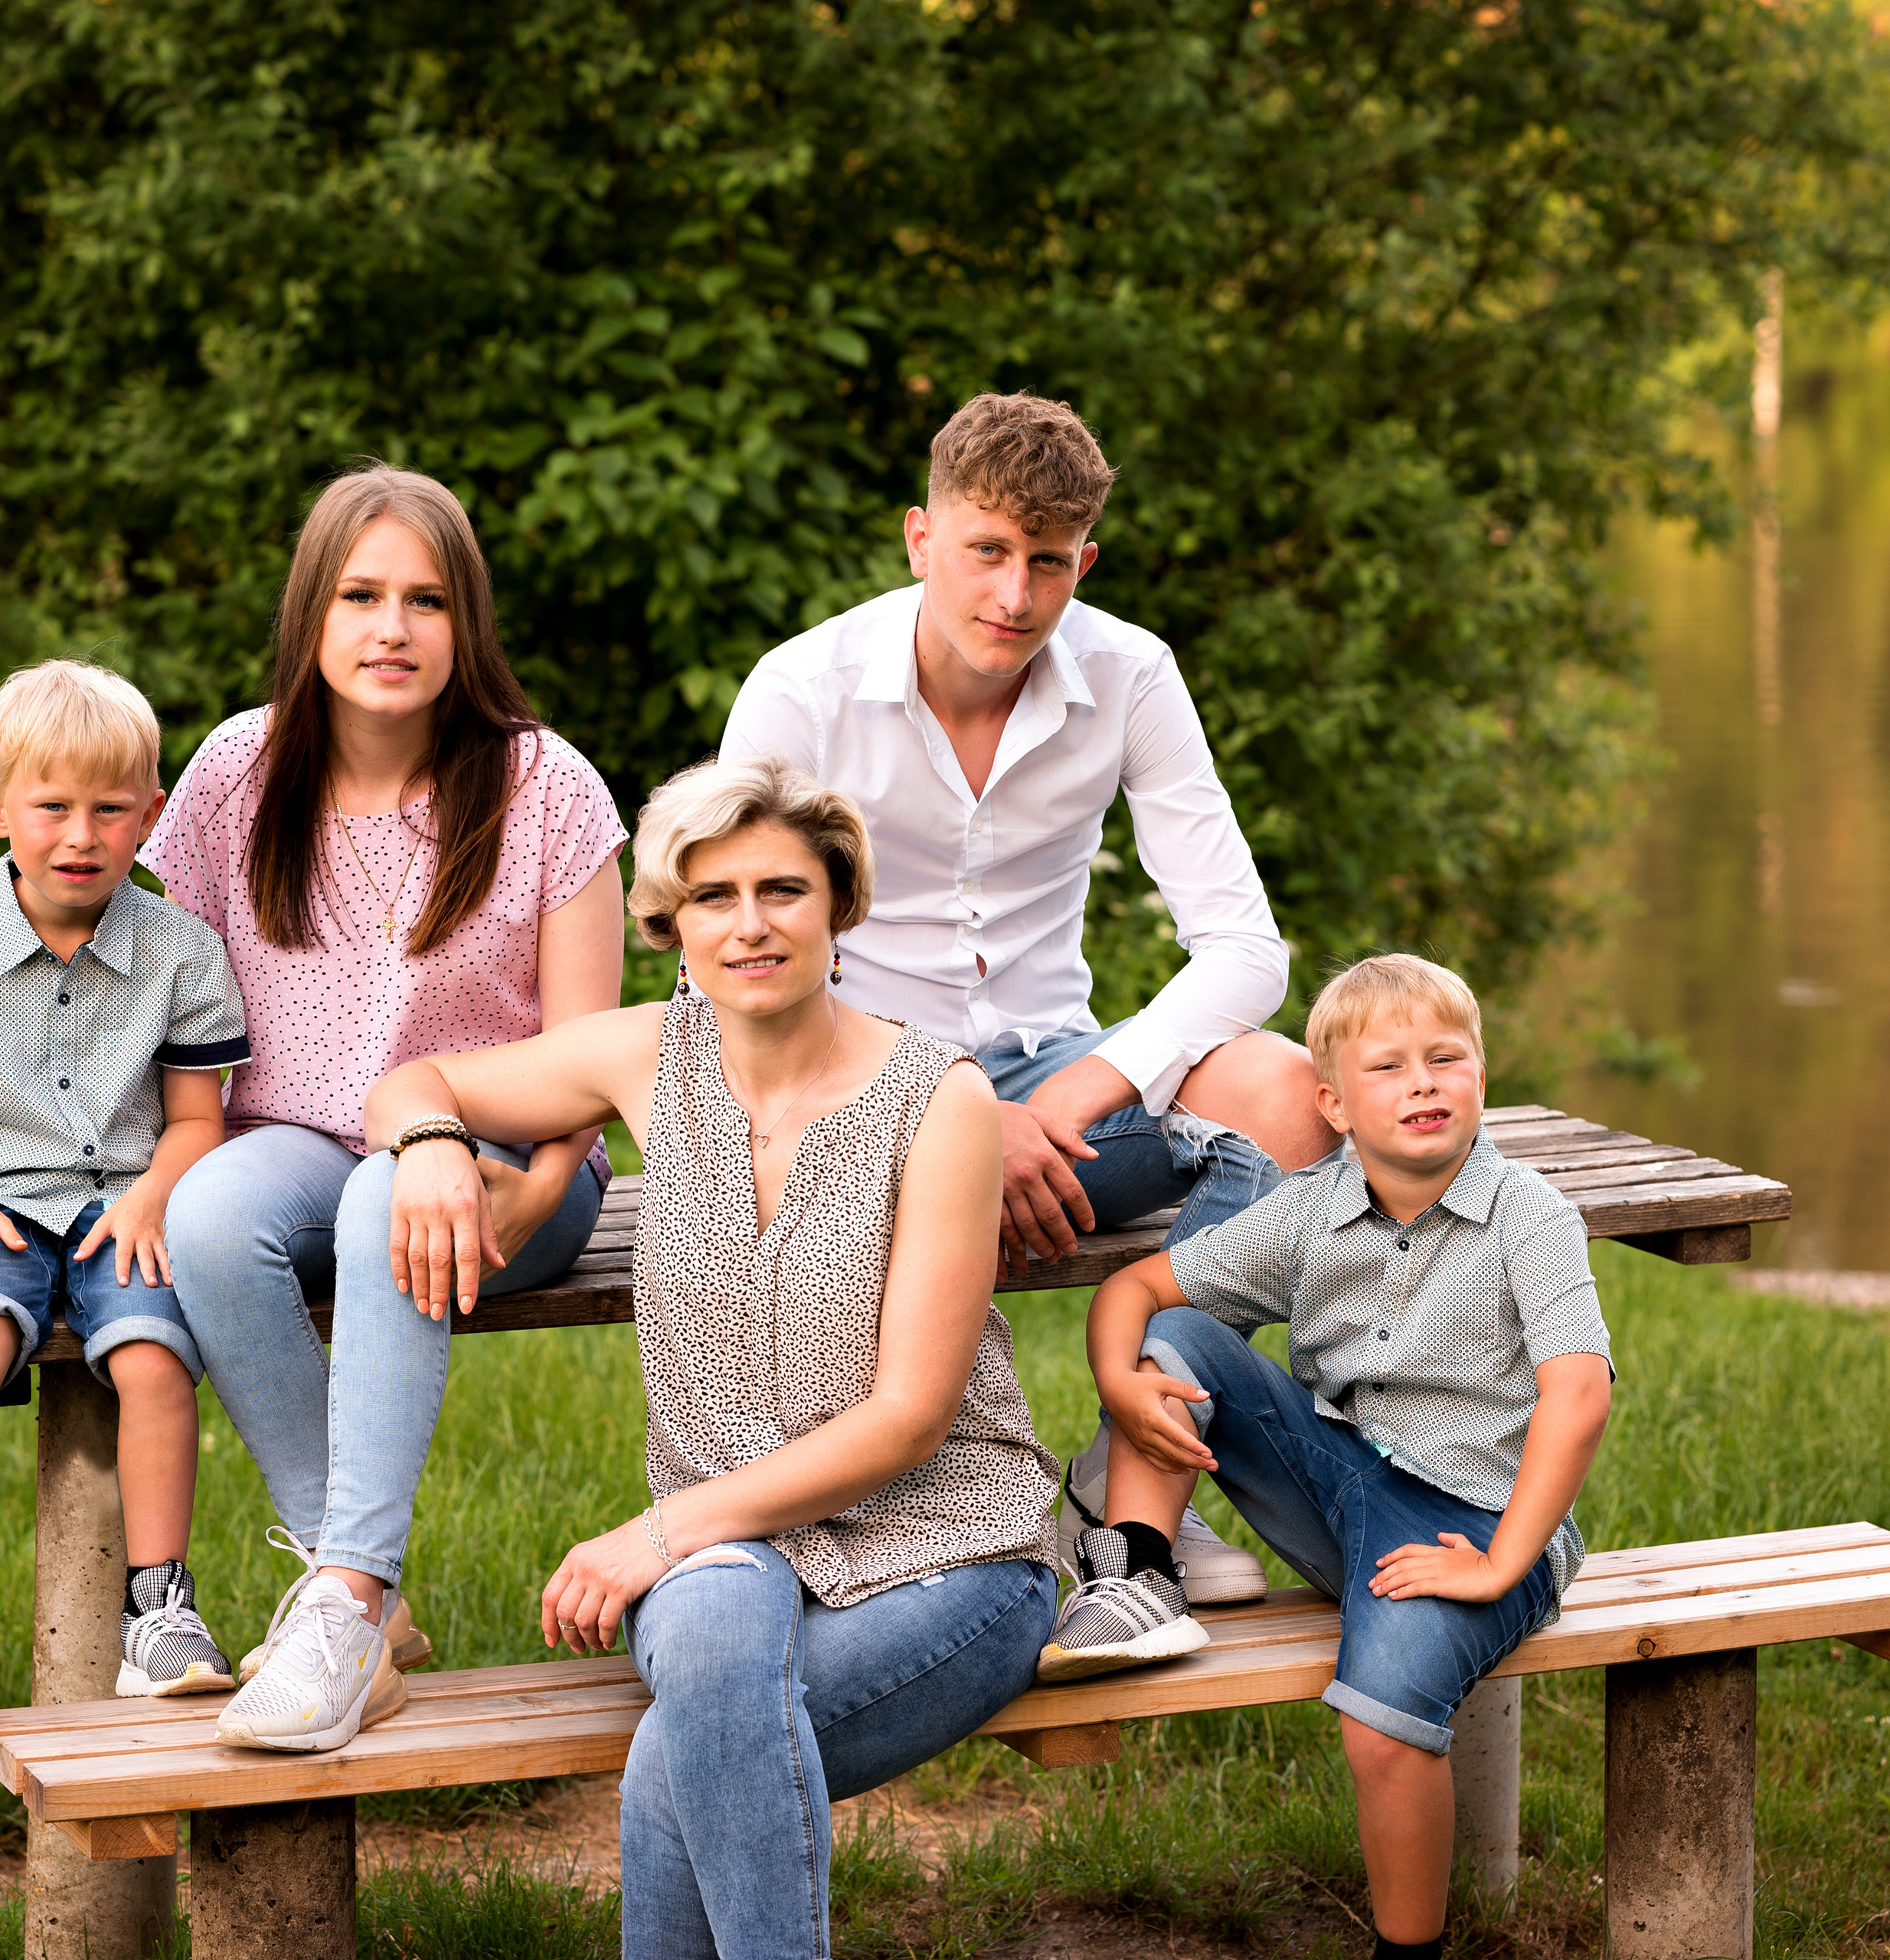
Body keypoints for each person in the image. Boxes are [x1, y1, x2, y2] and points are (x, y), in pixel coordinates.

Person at [363, 755, 1060, 1958]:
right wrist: (431, 1146)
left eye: (783, 890)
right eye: (714, 895)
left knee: (673, 1758)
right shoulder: (644, 1058)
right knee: (709, 1653)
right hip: (733, 1558)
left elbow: (906, 1418)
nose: (750, 925)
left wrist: (661, 1533)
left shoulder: (939, 1101)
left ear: (839, 906)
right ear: (667, 924)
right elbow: (411, 1083)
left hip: (950, 1552)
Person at [720, 389, 1336, 1604]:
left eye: (1046, 564)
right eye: (986, 553)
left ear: (1083, 560)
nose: (1013, 598)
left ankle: (1134, 1492)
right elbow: (734, 970)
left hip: (1059, 1090)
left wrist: (1072, 1092)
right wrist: (954, 1111)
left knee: (1281, 1090)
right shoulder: (804, 691)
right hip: (851, 1112)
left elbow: (1246, 950)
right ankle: (904, 1531)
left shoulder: (1129, 675)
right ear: (920, 538)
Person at [143, 466, 628, 1753]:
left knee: (386, 1198)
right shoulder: (236, 774)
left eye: (426, 600)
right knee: (210, 1214)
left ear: (466, 624)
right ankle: (363, 1599)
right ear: (313, 612)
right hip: (292, 1136)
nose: (392, 629)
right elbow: (149, 981)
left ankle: (343, 1600)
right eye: (360, 595)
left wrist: (540, 1172)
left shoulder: (545, 786)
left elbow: (593, 1049)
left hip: (518, 1156)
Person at [1042, 953, 1613, 1960]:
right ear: (1333, 1104)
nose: (1425, 1082)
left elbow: (1579, 1393)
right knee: (1174, 1345)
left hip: (1468, 1521)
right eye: (1388, 1067)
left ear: (1483, 1071)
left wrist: (1504, 1561)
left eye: (1447, 1057)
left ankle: (1408, 1951)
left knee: (1381, 1729)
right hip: (1335, 1482)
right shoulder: (1311, 1208)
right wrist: (1121, 1385)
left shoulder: (1531, 1214)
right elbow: (1134, 1291)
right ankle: (1137, 1566)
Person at [0, 662, 250, 1714]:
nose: (81, 835)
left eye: (111, 810)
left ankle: (159, 1609)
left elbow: (198, 1117)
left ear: (150, 816)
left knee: (156, 1360)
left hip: (126, 1201)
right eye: (52, 807)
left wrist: (157, 1195)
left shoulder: (181, 952)